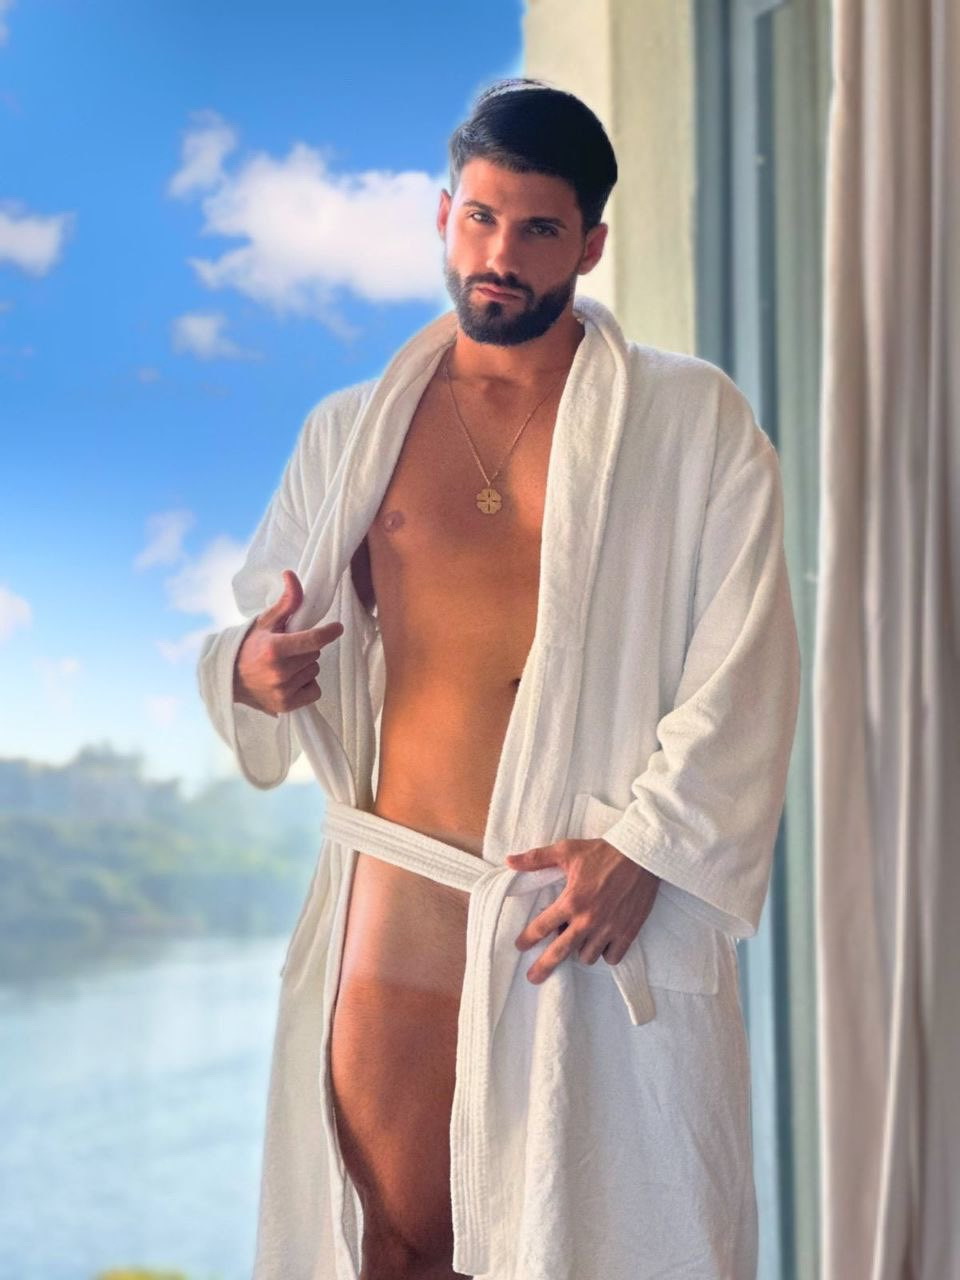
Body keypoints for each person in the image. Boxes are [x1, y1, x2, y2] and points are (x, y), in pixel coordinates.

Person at [197, 77, 801, 1280]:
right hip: (402, 893)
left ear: (591, 243)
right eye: (479, 218)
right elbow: (258, 629)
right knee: (389, 1242)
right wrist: (250, 673)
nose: (499, 256)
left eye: (536, 229)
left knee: (584, 1247)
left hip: (581, 904)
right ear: (443, 214)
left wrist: (647, 846)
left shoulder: (692, 420)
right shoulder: (352, 432)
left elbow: (749, 657)